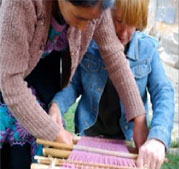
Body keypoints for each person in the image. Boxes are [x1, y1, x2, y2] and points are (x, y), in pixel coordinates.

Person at [0, 0, 148, 168]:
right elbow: (10, 82)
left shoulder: (98, 5)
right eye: (79, 17)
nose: (84, 29)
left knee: (44, 145)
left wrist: (138, 116)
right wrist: (53, 132)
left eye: (91, 20)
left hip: (40, 78)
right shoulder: (21, 3)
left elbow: (113, 54)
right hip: (7, 74)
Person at [51, 0, 175, 168]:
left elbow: (163, 92)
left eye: (131, 23)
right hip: (89, 138)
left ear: (140, 20)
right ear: (104, 14)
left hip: (129, 142)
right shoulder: (90, 45)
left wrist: (157, 138)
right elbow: (74, 85)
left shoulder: (148, 49)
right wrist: (57, 105)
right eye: (118, 21)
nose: (124, 32)